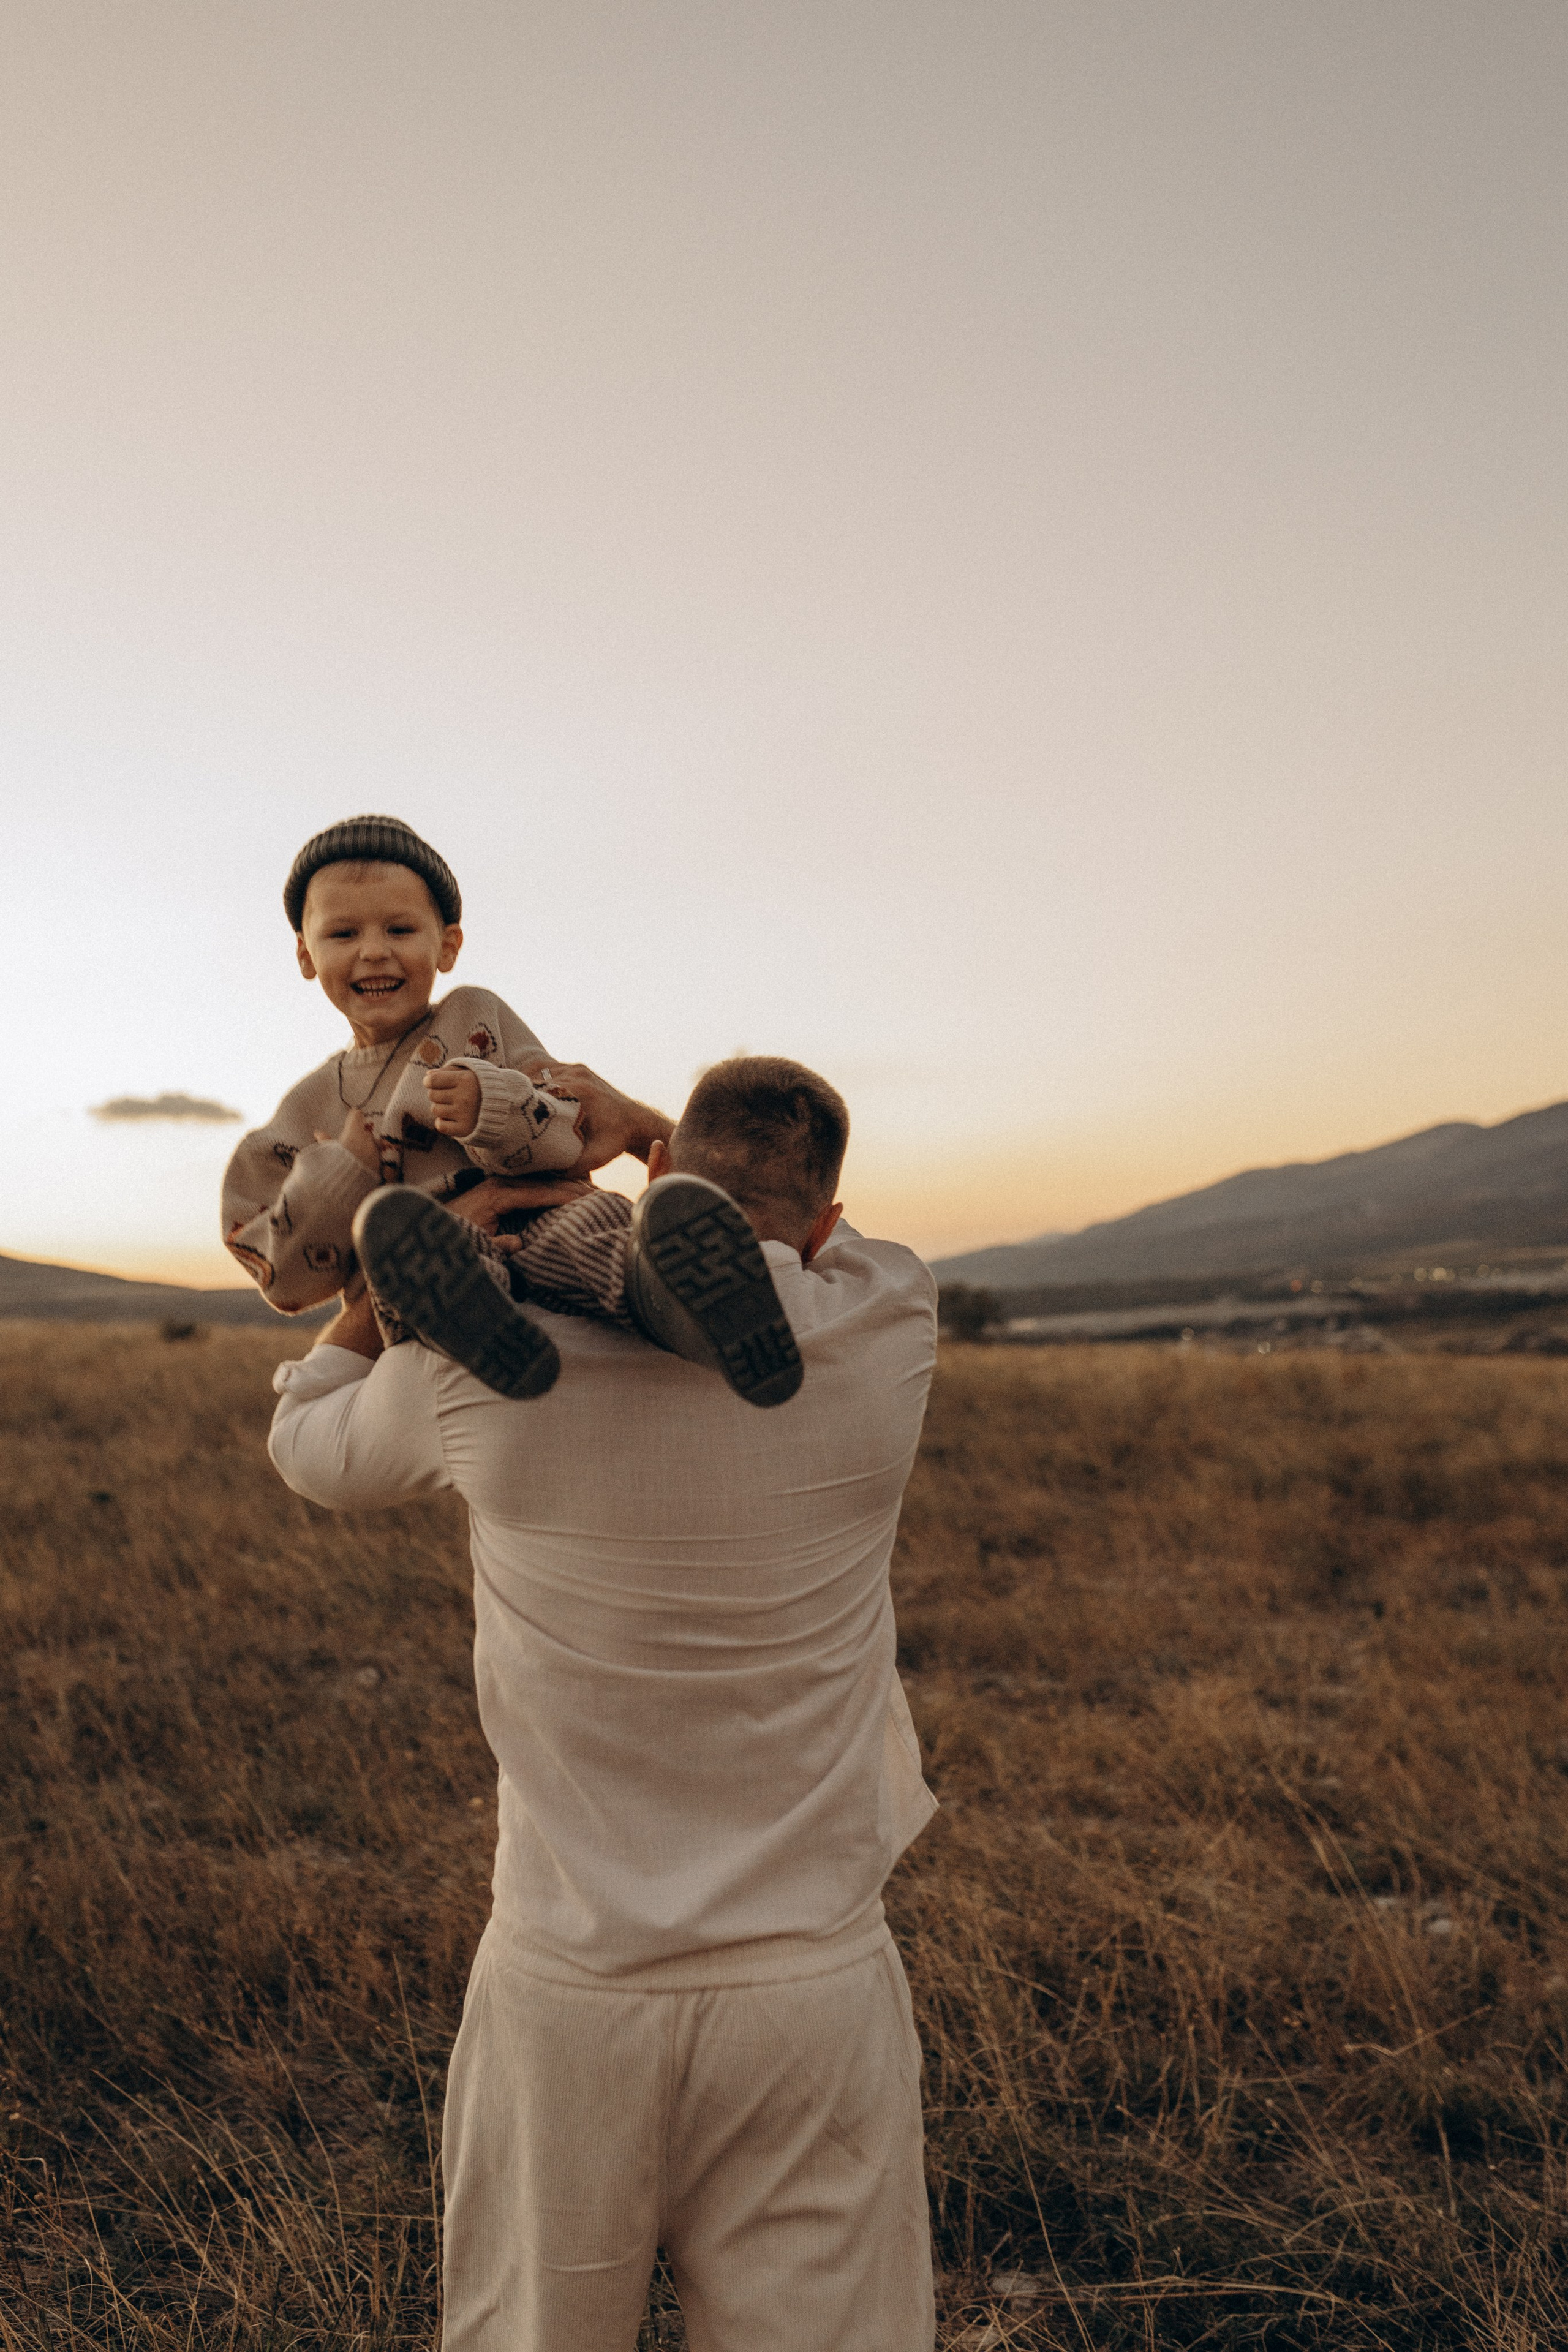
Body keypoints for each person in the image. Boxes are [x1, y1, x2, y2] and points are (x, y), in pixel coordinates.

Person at [268, 1057, 941, 2352]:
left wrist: (386, 1288)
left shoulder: (485, 1366)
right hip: (810, 1985)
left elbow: (310, 1441)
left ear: (669, 1184)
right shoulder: (882, 1327)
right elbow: (816, 1243)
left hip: (568, 1984)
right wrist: (643, 1140)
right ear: (820, 1224)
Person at [221, 815, 799, 1403]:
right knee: (408, 1267)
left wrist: (493, 1106)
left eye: (399, 929)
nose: (373, 952)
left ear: (446, 945)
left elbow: (572, 1133)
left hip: (544, 1218)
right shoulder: (303, 1112)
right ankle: (493, 1340)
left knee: (596, 1233)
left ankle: (703, 1318)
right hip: (427, 1265)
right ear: (305, 955)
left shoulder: (475, 1018)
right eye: (343, 935)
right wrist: (340, 1173)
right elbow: (285, 1281)